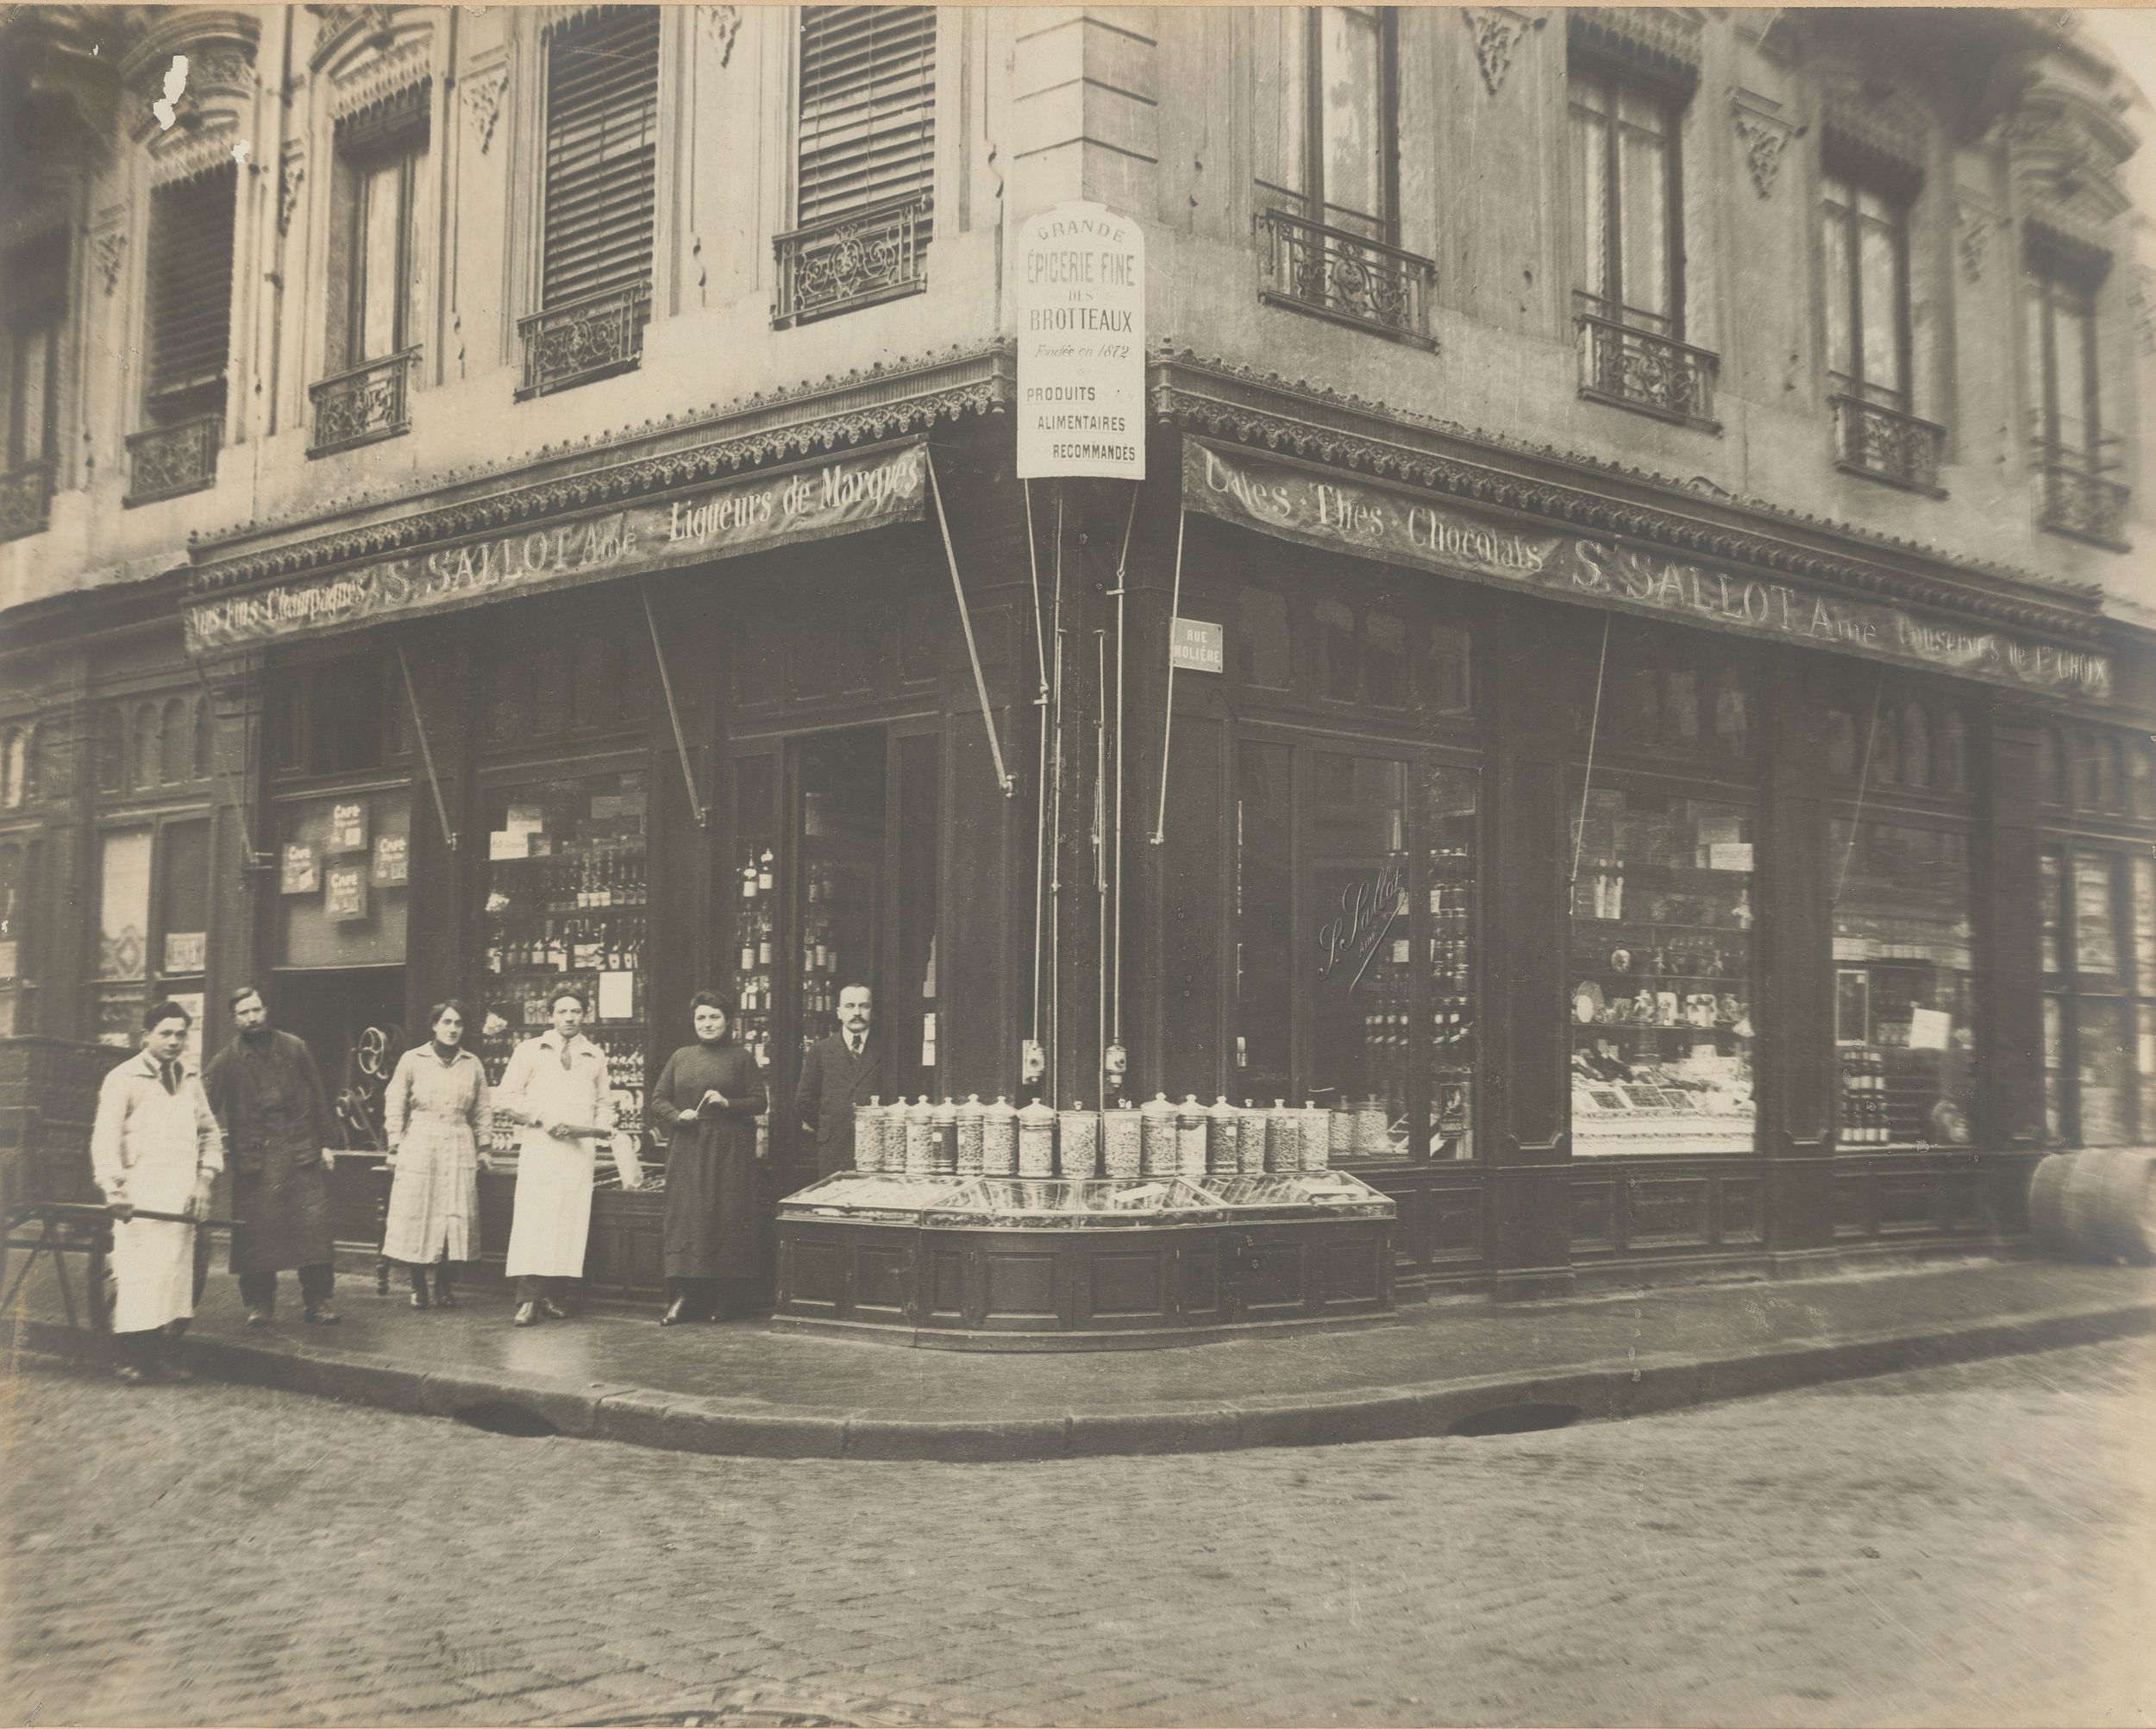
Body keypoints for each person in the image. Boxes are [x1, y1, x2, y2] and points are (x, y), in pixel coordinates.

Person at [90, 1000, 224, 1385]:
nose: (174, 1041)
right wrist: (113, 1188)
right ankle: (128, 1357)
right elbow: (105, 1139)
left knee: (173, 1277)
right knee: (138, 1276)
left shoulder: (190, 1080)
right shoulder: (123, 1078)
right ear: (145, 1036)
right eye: (165, 1033)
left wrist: (204, 1181)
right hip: (138, 1195)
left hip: (180, 1196)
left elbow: (211, 1134)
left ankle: (161, 1356)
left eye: (181, 1033)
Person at [202, 985, 338, 1326]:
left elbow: (319, 1097)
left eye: (257, 1010)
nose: (252, 1017)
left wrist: (325, 1143)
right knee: (255, 1238)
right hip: (255, 1158)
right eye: (244, 1013)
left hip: (300, 1149)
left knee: (313, 1231)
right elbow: (203, 1107)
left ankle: (318, 1301)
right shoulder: (227, 1060)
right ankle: (260, 1304)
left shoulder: (294, 1048)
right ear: (234, 1019)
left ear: (266, 1011)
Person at [496, 989, 614, 1326]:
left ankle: (553, 1297)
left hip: (578, 1152)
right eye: (562, 1011)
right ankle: (528, 1300)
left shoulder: (594, 1055)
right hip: (541, 1147)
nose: (569, 1017)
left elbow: (605, 1102)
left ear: (585, 1015)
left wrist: (603, 1127)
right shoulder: (529, 1050)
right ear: (550, 1015)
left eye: (576, 1011)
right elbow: (506, 1096)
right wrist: (543, 1118)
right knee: (536, 1220)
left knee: (568, 1222)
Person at [648, 992, 768, 1325]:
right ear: (694, 1021)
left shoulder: (741, 1058)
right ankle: (685, 1295)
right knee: (687, 1217)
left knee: (725, 1216)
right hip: (688, 1145)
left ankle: (725, 1297)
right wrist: (677, 1114)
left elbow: (760, 1102)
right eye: (701, 1017)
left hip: (729, 1150)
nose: (708, 1024)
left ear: (727, 1021)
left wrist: (728, 1103)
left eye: (714, 1017)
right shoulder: (681, 1057)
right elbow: (658, 1100)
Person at [380, 1000, 492, 1310]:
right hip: (421, 1141)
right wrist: (394, 1144)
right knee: (421, 1213)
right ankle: (418, 1286)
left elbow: (483, 1109)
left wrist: (484, 1147)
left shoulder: (472, 1064)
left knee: (452, 1215)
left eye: (458, 1023)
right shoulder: (412, 1060)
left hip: (458, 1140)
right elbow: (394, 1102)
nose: (452, 1029)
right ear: (434, 1025)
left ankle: (444, 1285)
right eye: (446, 1022)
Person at [794, 983, 885, 1179]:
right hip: (834, 1146)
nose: (857, 1012)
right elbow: (804, 1100)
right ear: (839, 1012)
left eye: (864, 1006)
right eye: (850, 1006)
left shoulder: (887, 1048)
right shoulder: (820, 1050)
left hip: (878, 1144)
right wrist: (830, 1124)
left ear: (872, 1010)